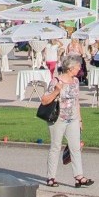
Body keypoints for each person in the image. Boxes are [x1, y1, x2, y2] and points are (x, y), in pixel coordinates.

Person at [39, 60, 94, 188]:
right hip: (58, 118)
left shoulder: (76, 81)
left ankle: (79, 177)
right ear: (70, 68)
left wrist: (80, 120)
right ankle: (51, 177)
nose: (79, 69)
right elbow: (44, 100)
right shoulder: (56, 81)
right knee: (55, 147)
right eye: (77, 67)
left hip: (73, 119)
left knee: (75, 148)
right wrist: (56, 91)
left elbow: (76, 101)